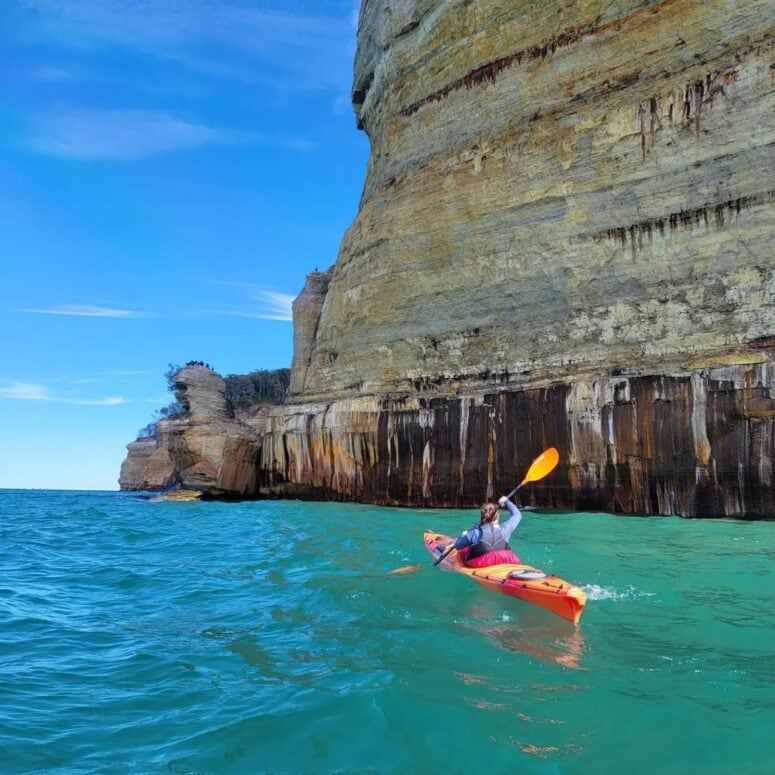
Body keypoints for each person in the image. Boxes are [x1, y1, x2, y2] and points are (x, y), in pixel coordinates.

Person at [453, 495, 523, 568]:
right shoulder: (505, 528)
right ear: (498, 515)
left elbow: (458, 545)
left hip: (481, 563)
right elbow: (517, 515)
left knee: (463, 551)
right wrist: (507, 501)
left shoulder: (474, 532)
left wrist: (464, 535)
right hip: (506, 560)